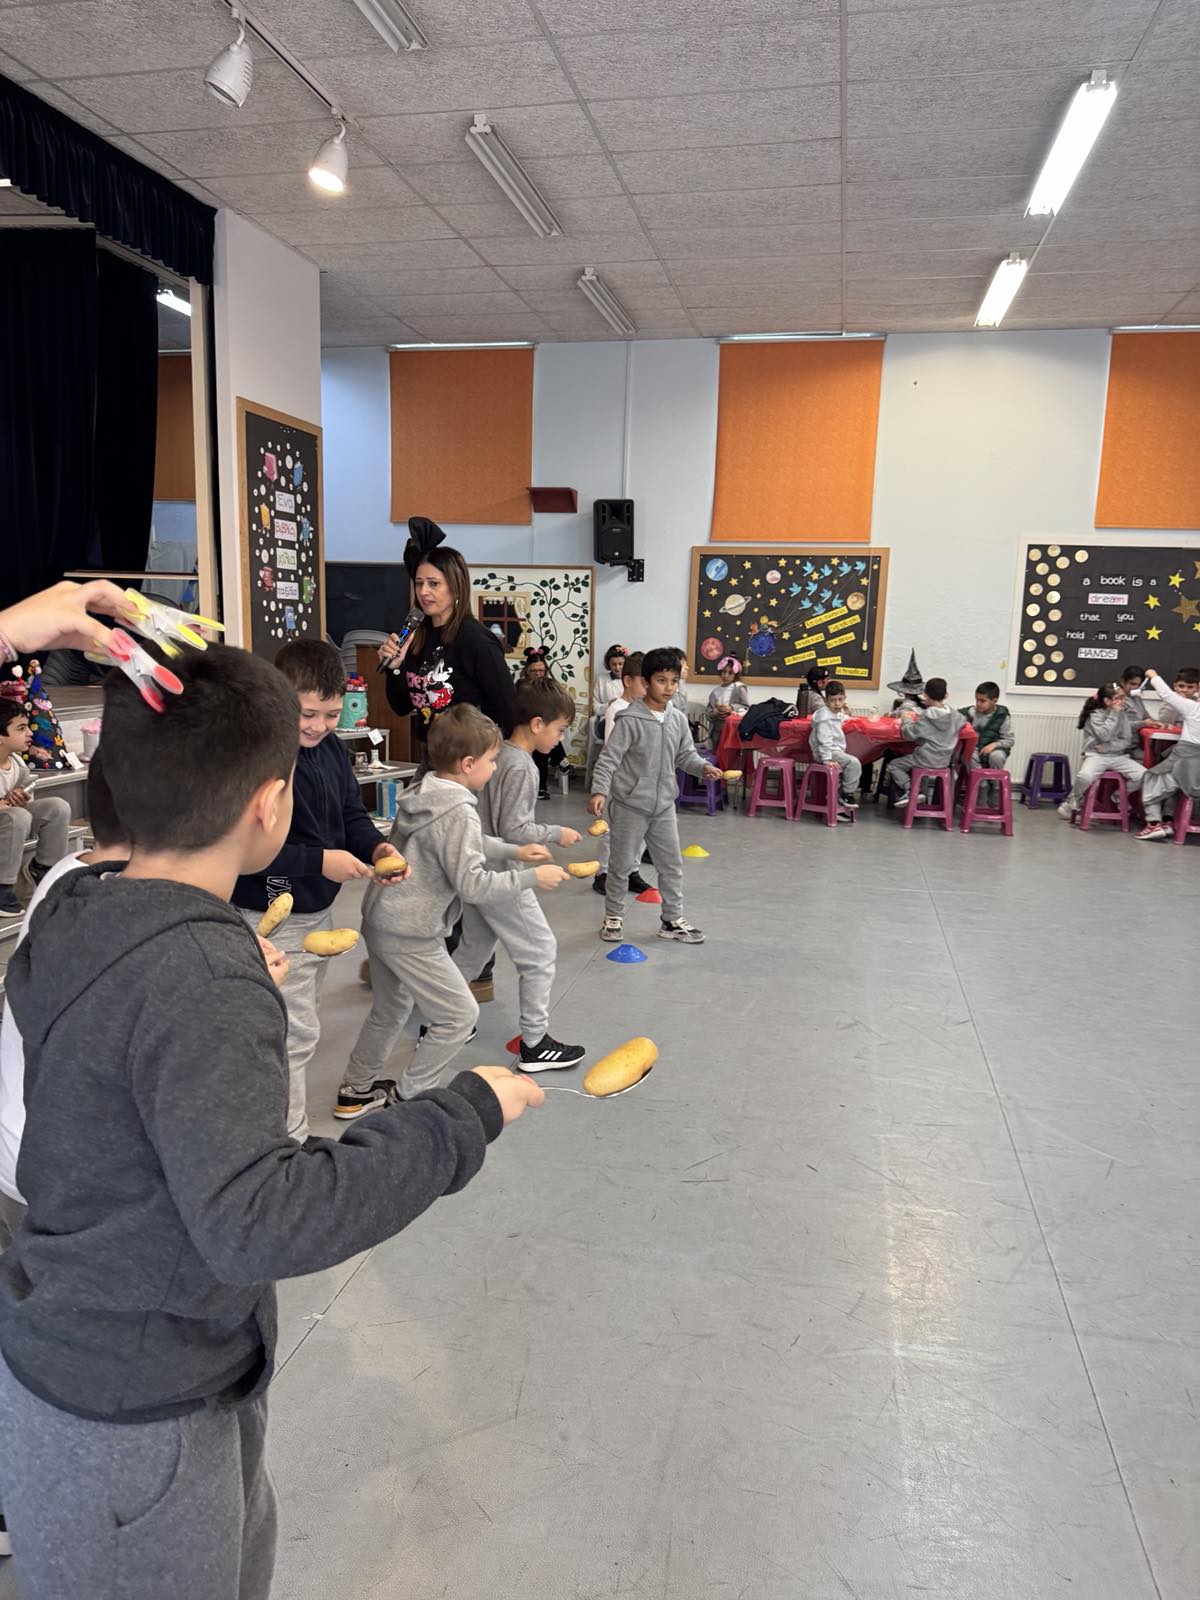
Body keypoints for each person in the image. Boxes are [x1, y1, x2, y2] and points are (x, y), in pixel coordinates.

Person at [0, 644, 543, 1600]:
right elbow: (260, 1219)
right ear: (269, 804)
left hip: (116, 1361)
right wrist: (461, 1117)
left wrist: (217, 968)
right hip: (138, 1409)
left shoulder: (75, 912)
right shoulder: (201, 975)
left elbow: (137, 1021)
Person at [342, 703, 567, 1106]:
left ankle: (354, 1090)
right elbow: (473, 885)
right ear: (467, 764)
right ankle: (409, 1098)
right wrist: (533, 878)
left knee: (390, 1009)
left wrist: (513, 851)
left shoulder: (427, 791)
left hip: (382, 918)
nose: (495, 767)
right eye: (491, 760)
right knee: (459, 1016)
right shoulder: (459, 810)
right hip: (410, 928)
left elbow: (463, 843)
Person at [231, 640, 409, 1138]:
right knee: (293, 1033)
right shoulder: (259, 758)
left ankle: (272, 1132)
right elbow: (249, 850)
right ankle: (288, 1142)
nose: (319, 726)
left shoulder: (330, 749)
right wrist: (320, 862)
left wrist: (376, 847)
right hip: (271, 909)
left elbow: (351, 814)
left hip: (315, 910)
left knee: (296, 1020)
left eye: (331, 714)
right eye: (307, 713)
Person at [451, 679, 585, 1070]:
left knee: (473, 950)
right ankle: (535, 1043)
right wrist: (557, 833)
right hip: (502, 874)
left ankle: (441, 1019)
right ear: (538, 724)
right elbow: (515, 829)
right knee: (540, 951)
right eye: (561, 730)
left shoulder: (498, 755)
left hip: (477, 868)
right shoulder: (522, 765)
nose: (560, 738)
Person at [590, 647, 722, 947]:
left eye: (674, 681)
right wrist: (599, 790)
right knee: (621, 866)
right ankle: (613, 916)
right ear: (646, 682)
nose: (669, 687)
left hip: (663, 807)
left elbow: (685, 755)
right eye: (661, 680)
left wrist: (703, 768)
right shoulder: (629, 719)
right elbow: (609, 759)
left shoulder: (677, 719)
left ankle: (672, 919)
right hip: (629, 806)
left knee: (671, 864)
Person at [378, 518, 516, 754]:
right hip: (431, 755)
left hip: (469, 757)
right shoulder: (415, 635)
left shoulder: (477, 640)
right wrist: (396, 668)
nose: (424, 592)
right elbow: (402, 707)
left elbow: (506, 713)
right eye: (419, 583)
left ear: (455, 587)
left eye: (434, 584)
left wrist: (482, 759)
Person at [0, 704, 71, 918]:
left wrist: (19, 796)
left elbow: (22, 803)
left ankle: (45, 869)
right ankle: (3, 887)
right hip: (10, 820)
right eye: (21, 728)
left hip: (10, 821)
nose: (30, 733)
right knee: (18, 816)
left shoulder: (18, 764)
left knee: (57, 807)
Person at [594, 651, 653, 899]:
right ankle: (603, 873)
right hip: (619, 782)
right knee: (610, 830)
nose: (648, 687)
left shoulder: (646, 709)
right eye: (643, 682)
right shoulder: (617, 709)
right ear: (628, 681)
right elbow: (613, 748)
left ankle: (632, 870)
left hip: (641, 782)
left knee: (640, 830)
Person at [1058, 682, 1145, 818]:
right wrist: (1114, 714)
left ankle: (1118, 796)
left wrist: (1108, 747)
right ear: (1107, 701)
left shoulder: (1123, 715)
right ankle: (1073, 799)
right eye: (1118, 698)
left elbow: (1126, 740)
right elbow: (1104, 735)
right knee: (1085, 776)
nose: (1123, 701)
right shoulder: (1095, 715)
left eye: (1123, 697)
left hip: (1118, 756)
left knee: (1144, 776)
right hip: (1096, 755)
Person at [1137, 667, 1200, 841]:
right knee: (1171, 781)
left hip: (1186, 763)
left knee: (1150, 778)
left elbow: (1167, 695)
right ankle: (1167, 819)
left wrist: (1153, 676)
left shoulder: (1194, 708)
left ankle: (1153, 823)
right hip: (1194, 772)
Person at [888, 677, 964, 800]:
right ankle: (921, 795)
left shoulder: (927, 717)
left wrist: (906, 719)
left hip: (924, 759)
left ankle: (912, 790)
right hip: (944, 761)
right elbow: (962, 724)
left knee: (894, 765)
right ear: (946, 695)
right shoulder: (956, 717)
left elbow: (908, 735)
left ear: (925, 695)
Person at [515, 647, 569, 798]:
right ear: (527, 671)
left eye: (541, 671)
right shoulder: (522, 686)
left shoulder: (550, 686)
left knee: (547, 733)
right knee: (540, 736)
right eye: (534, 671)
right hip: (526, 724)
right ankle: (560, 760)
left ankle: (542, 786)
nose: (538, 674)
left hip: (544, 725)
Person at [810, 680, 860, 819]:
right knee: (853, 763)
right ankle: (847, 794)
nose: (837, 704)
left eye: (840, 699)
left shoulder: (834, 712)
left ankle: (836, 805)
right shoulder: (824, 719)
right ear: (826, 701)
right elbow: (824, 741)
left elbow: (840, 718)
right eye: (833, 700)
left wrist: (849, 717)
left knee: (844, 772)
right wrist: (827, 760)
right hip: (826, 753)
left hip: (834, 751)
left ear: (845, 698)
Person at [958, 681, 1015, 777]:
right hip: (974, 749)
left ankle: (995, 782)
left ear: (994, 701)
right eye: (977, 700)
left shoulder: (1002, 716)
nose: (978, 704)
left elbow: (1009, 740)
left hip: (995, 749)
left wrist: (994, 745)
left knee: (997, 756)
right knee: (969, 755)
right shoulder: (970, 713)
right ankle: (980, 782)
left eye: (982, 701)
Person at [706, 657, 749, 755]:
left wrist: (731, 708)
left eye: (730, 673)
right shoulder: (715, 692)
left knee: (731, 755)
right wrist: (714, 712)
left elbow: (746, 707)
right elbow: (708, 712)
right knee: (717, 754)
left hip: (733, 730)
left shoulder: (738, 688)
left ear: (735, 675)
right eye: (723, 672)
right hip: (717, 730)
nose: (726, 675)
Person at [592, 644, 627, 717]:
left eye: (620, 664)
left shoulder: (631, 680)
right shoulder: (601, 680)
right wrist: (608, 705)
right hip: (606, 718)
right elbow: (595, 708)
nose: (617, 668)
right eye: (614, 664)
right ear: (609, 664)